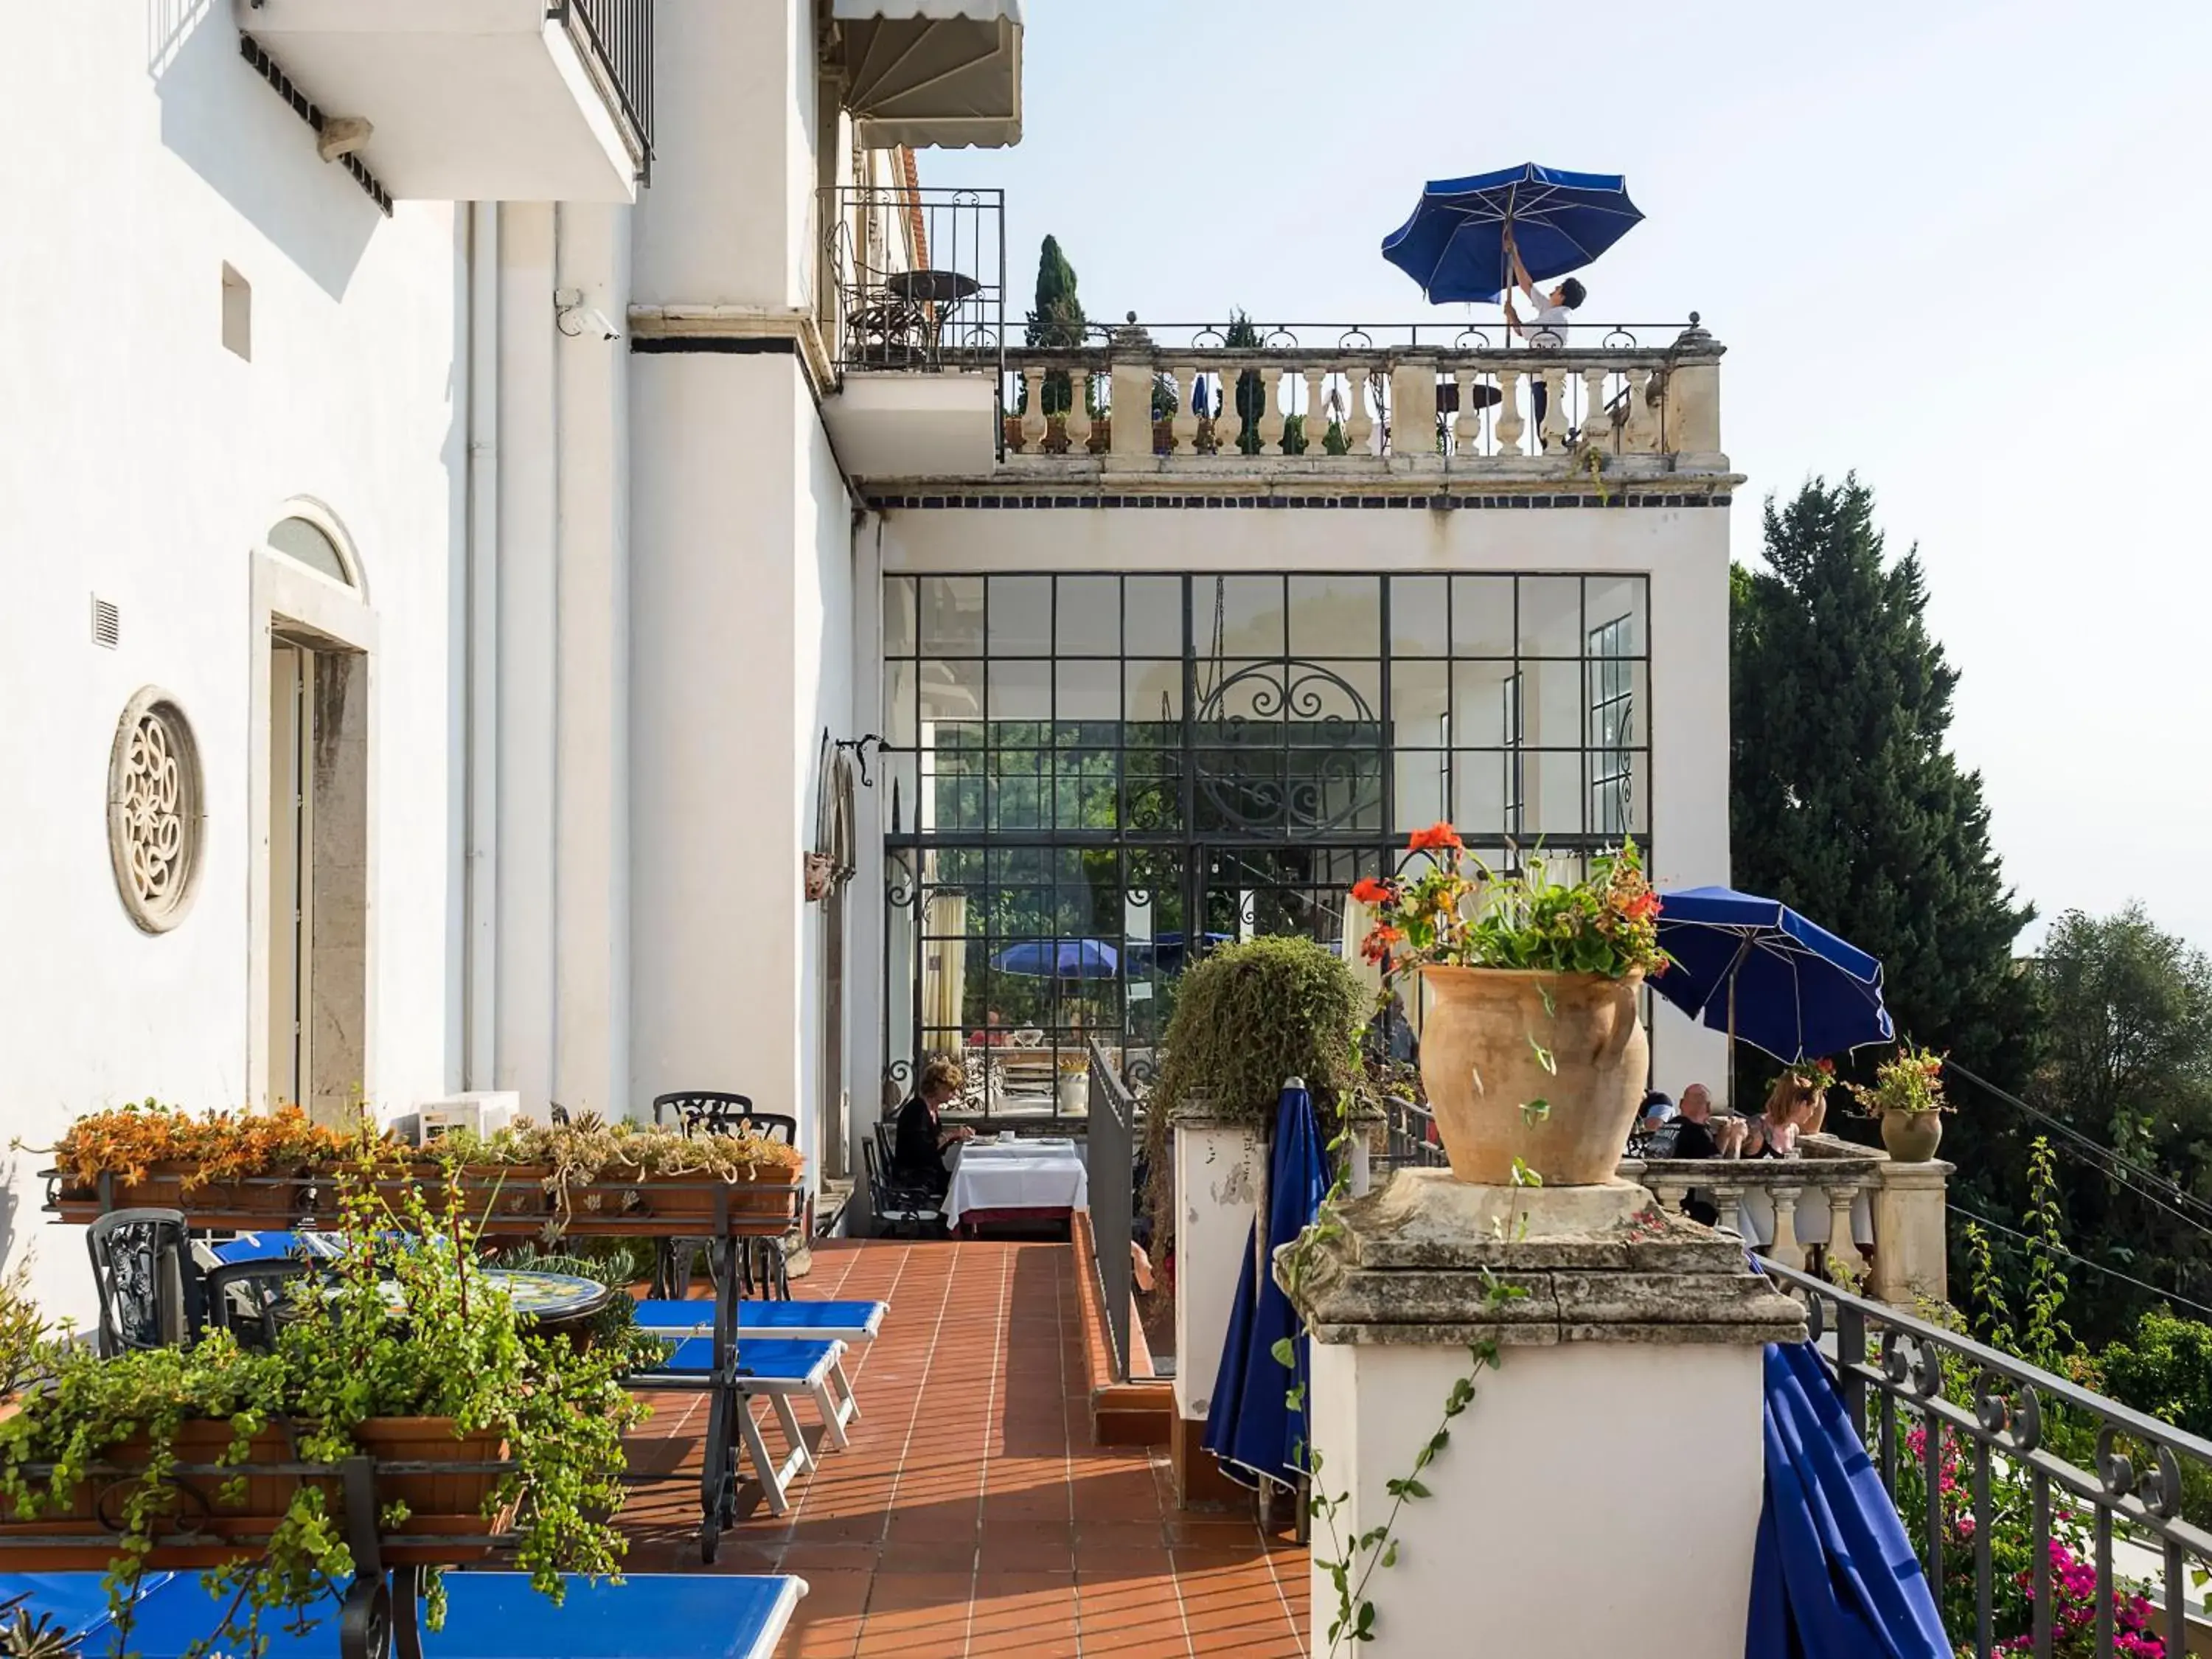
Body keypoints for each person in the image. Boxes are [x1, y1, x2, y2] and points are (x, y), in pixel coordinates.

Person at [1501, 229, 1586, 445]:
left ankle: (1562, 448)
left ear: (1563, 296)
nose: (1554, 289)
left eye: (1558, 289)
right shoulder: (1552, 311)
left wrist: (1513, 316)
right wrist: (1515, 255)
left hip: (1545, 379)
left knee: (1546, 427)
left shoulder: (1557, 318)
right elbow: (1527, 286)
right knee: (1546, 423)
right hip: (1541, 378)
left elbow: (1522, 331)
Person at [892, 1055, 973, 1198]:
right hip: (916, 1179)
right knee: (966, 1186)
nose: (954, 1095)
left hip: (929, 1173)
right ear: (937, 1087)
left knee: (966, 1183)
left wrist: (956, 1137)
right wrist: (951, 1135)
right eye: (951, 1090)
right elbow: (923, 1152)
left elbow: (936, 1151)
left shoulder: (932, 1109)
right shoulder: (917, 1111)